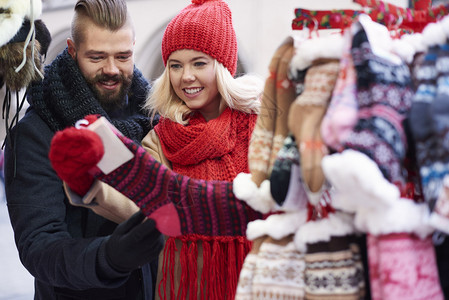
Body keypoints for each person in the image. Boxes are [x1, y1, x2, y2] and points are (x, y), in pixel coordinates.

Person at [56, 0, 264, 298]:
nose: (185, 76)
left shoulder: (261, 127)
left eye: (199, 63)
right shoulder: (160, 139)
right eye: (175, 65)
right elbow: (149, 205)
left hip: (260, 283)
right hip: (186, 288)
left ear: (223, 66)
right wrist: (88, 181)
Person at [4, 0, 164, 299]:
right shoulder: (36, 131)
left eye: (123, 56)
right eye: (97, 57)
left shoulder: (155, 115)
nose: (112, 69)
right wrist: (110, 257)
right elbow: (39, 246)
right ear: (72, 50)